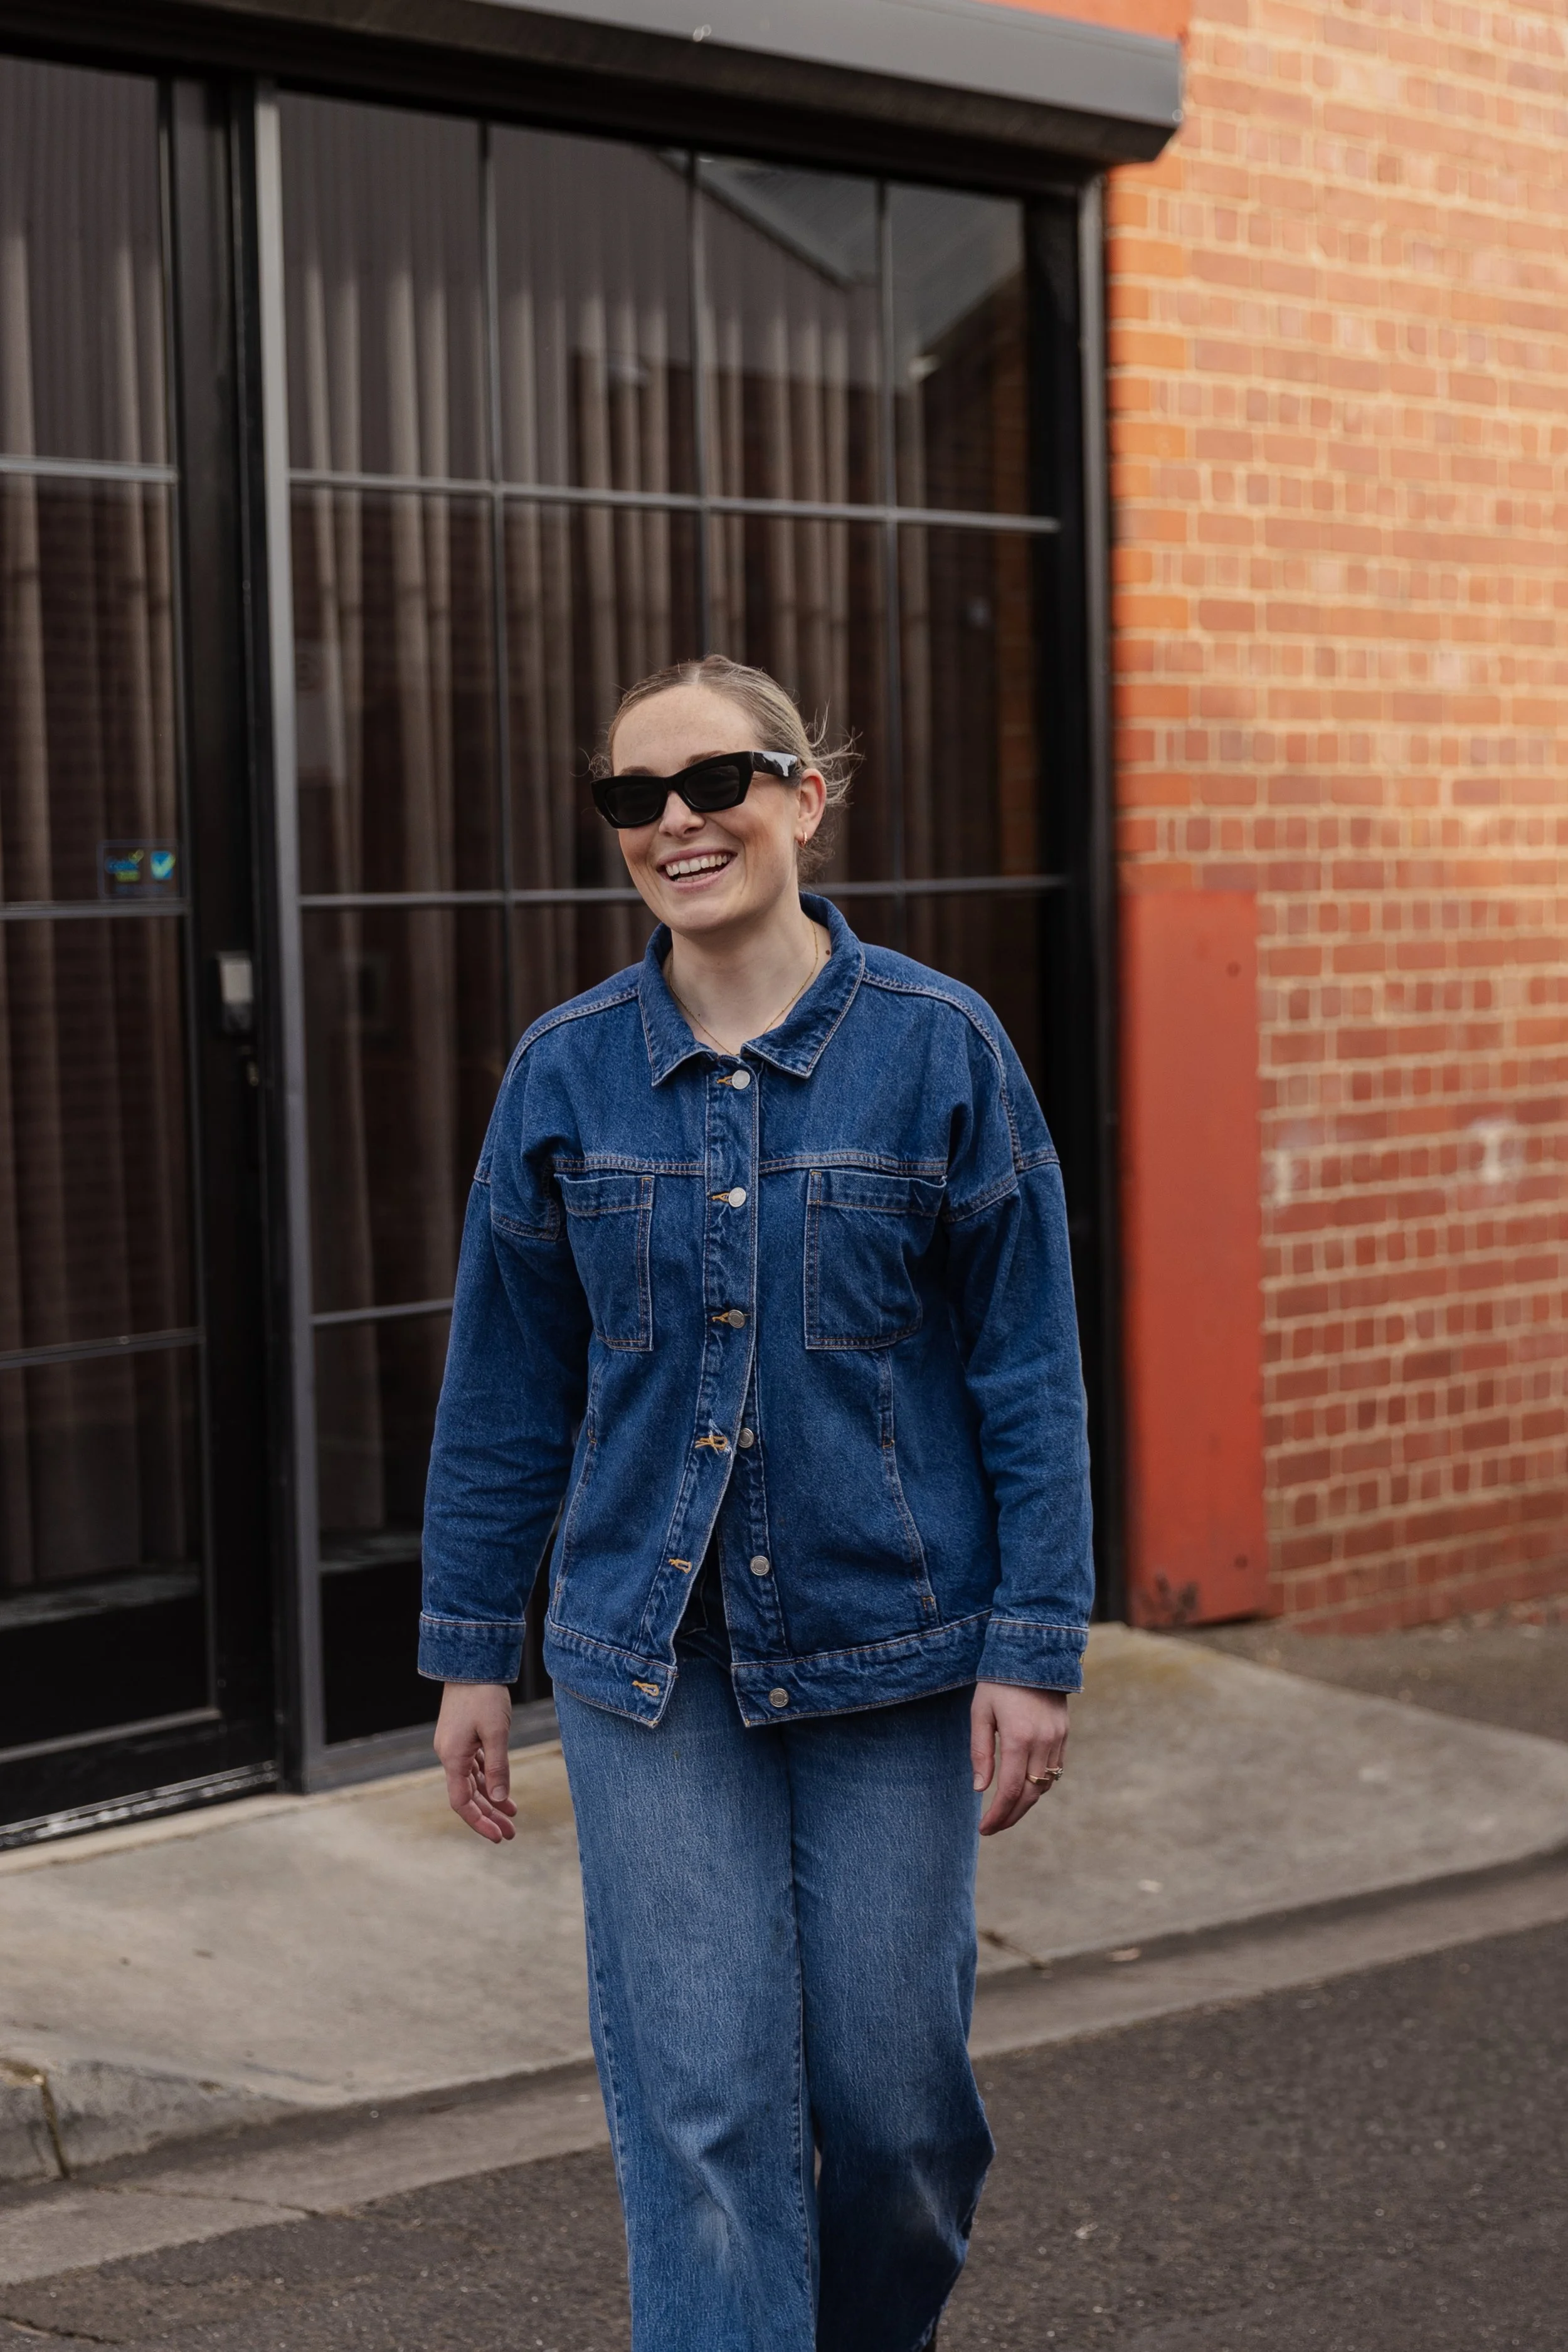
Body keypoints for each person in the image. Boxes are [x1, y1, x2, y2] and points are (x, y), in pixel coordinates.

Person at [420, 655, 1094, 2352]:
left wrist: (1035, 1641)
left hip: (893, 1644)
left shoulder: (941, 1051)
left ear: (806, 792)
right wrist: (469, 1650)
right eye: (631, 796)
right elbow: (505, 1389)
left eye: (713, 780)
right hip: (654, 1668)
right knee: (706, 2106)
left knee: (896, 2116)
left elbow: (1026, 1369)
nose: (674, 822)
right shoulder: (566, 1074)